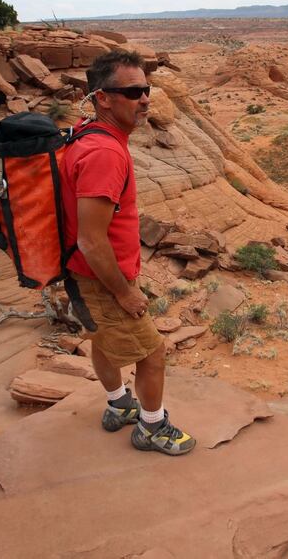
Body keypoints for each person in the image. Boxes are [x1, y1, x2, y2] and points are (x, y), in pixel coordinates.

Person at [61, 50, 195, 456]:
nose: (145, 99)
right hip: (101, 277)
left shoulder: (88, 133)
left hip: (85, 272)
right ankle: (152, 428)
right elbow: (92, 239)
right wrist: (123, 291)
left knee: (102, 340)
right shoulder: (104, 152)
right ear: (103, 97)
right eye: (133, 91)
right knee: (152, 353)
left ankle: (120, 406)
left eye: (146, 89)